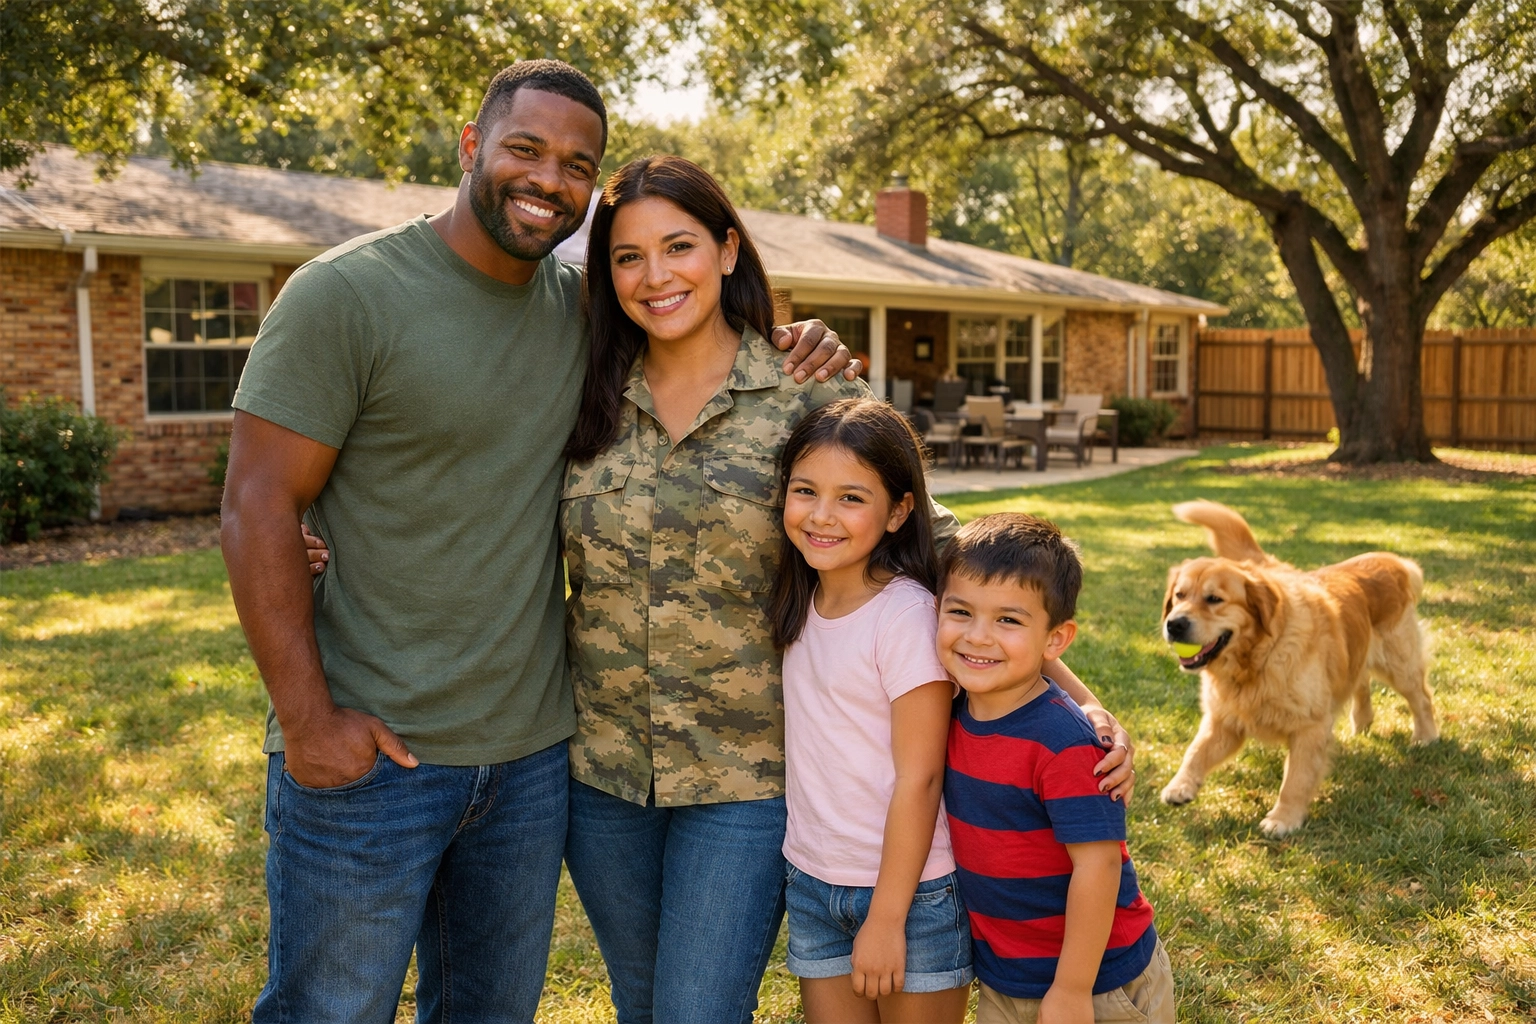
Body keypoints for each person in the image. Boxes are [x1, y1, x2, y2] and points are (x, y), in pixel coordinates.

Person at [220, 60, 855, 1023]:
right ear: (472, 146)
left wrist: (800, 344)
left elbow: (697, 328)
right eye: (525, 148)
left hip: (532, 762)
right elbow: (255, 504)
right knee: (329, 1010)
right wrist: (309, 725)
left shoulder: (586, 321)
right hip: (376, 751)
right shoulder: (346, 294)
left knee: (492, 1010)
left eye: (575, 164)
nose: (547, 178)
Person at [554, 154, 1138, 1024]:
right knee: (639, 1004)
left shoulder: (807, 387)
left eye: (678, 246)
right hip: (600, 775)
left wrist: (1082, 702)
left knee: (696, 1011)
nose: (654, 275)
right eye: (627, 257)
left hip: (747, 783)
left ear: (724, 250)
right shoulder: (581, 391)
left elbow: (941, 554)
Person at [769, 397, 972, 1023]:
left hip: (911, 895)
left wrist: (886, 917)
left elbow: (922, 775)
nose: (822, 516)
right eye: (806, 491)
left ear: (899, 511)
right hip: (812, 883)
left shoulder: (905, 615)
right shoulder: (799, 600)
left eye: (852, 498)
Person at [938, 514, 1172, 1024]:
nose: (977, 637)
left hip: (1099, 981)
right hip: (1007, 979)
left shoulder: (1062, 740)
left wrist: (1071, 988)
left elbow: (1099, 865)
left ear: (1055, 640)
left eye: (1008, 620)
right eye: (960, 611)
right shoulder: (952, 713)